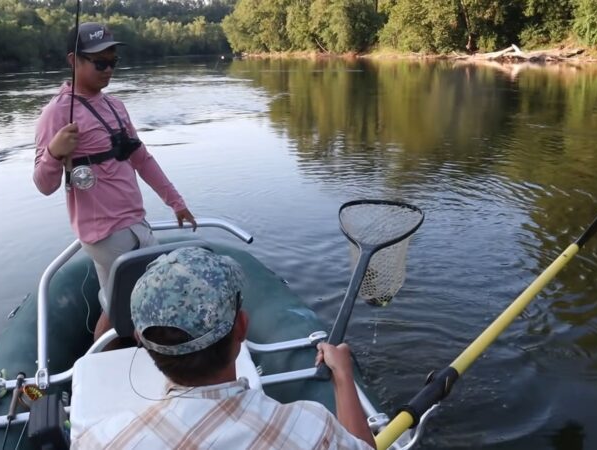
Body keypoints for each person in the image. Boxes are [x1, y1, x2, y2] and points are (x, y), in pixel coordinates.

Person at [73, 246, 376, 449]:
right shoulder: (311, 428)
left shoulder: (100, 442)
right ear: (242, 327)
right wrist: (343, 378)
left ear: (141, 341)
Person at [33, 22, 196, 341]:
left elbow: (142, 159)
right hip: (105, 232)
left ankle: (95, 366)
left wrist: (176, 202)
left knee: (115, 307)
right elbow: (43, 184)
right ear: (73, 61)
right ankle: (166, 366)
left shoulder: (115, 106)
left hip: (134, 222)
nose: (109, 70)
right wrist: (54, 152)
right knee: (154, 296)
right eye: (100, 63)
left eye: (113, 62)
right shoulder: (55, 115)